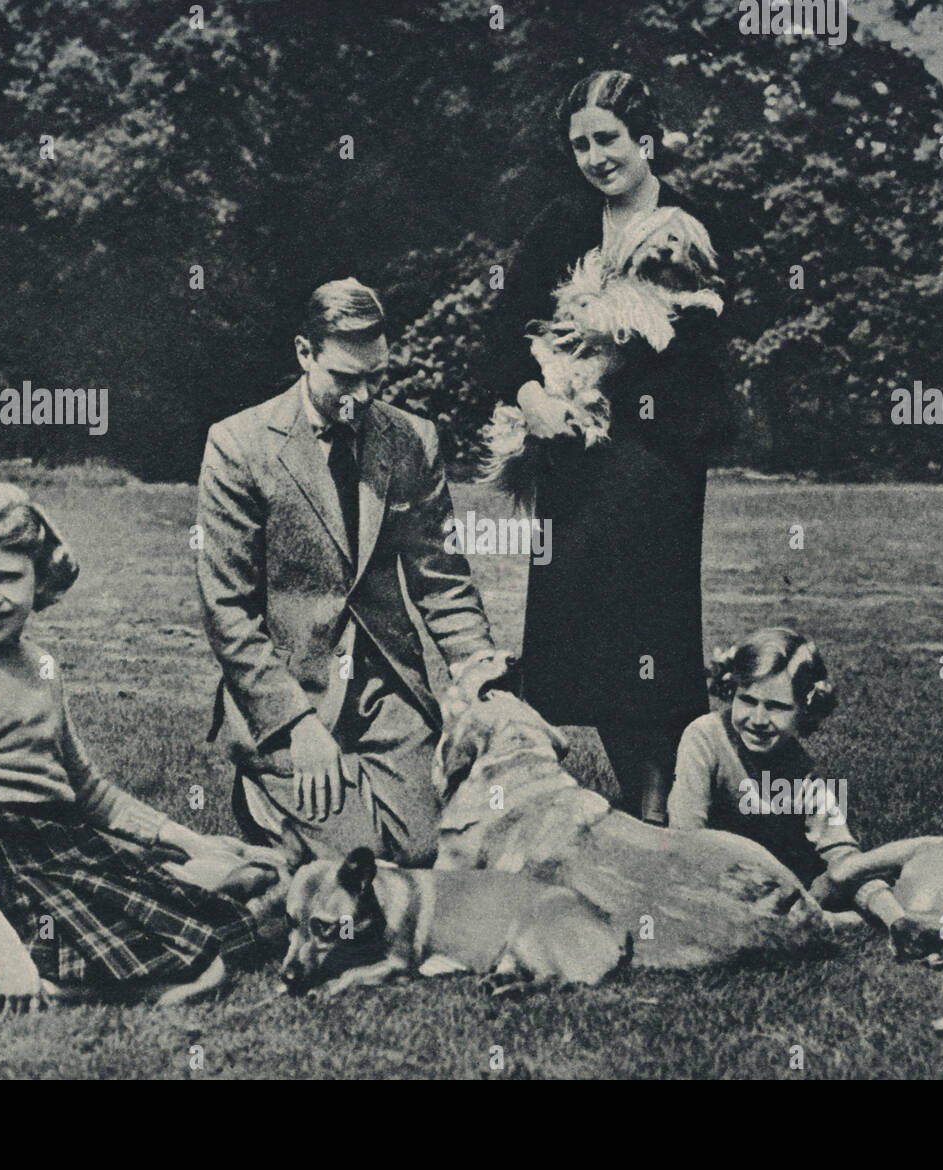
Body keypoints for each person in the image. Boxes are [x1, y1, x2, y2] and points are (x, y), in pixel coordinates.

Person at [0, 483, 259, 1027]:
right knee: (202, 969)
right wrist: (6, 950)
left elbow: (88, 788)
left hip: (64, 844)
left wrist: (190, 841)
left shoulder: (40, 664)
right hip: (4, 863)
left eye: (8, 577)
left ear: (41, 579)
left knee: (236, 914)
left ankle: (179, 890)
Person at [482, 70, 732, 824]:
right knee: (580, 635)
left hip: (656, 458)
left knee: (647, 633)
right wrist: (531, 399)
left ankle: (658, 805)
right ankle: (629, 802)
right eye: (580, 144)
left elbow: (713, 345)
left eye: (609, 139)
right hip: (572, 453)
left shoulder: (690, 225)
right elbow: (500, 336)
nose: (595, 156)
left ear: (646, 142)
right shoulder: (561, 224)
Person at [197, 277, 499, 867]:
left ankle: (326, 807)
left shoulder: (413, 441)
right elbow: (227, 611)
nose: (362, 396)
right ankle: (263, 788)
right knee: (362, 863)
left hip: (385, 689)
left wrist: (480, 677)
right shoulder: (236, 445)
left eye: (375, 378)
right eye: (345, 378)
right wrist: (296, 726)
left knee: (428, 853)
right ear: (304, 353)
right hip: (292, 689)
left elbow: (441, 580)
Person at [668, 627, 905, 927]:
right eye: (748, 700)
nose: (758, 720)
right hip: (710, 878)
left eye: (777, 707)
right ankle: (837, 921)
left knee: (847, 871)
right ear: (731, 690)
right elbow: (686, 837)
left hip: (784, 885)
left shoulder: (801, 770)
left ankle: (899, 920)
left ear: (805, 712)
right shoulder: (705, 737)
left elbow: (840, 850)